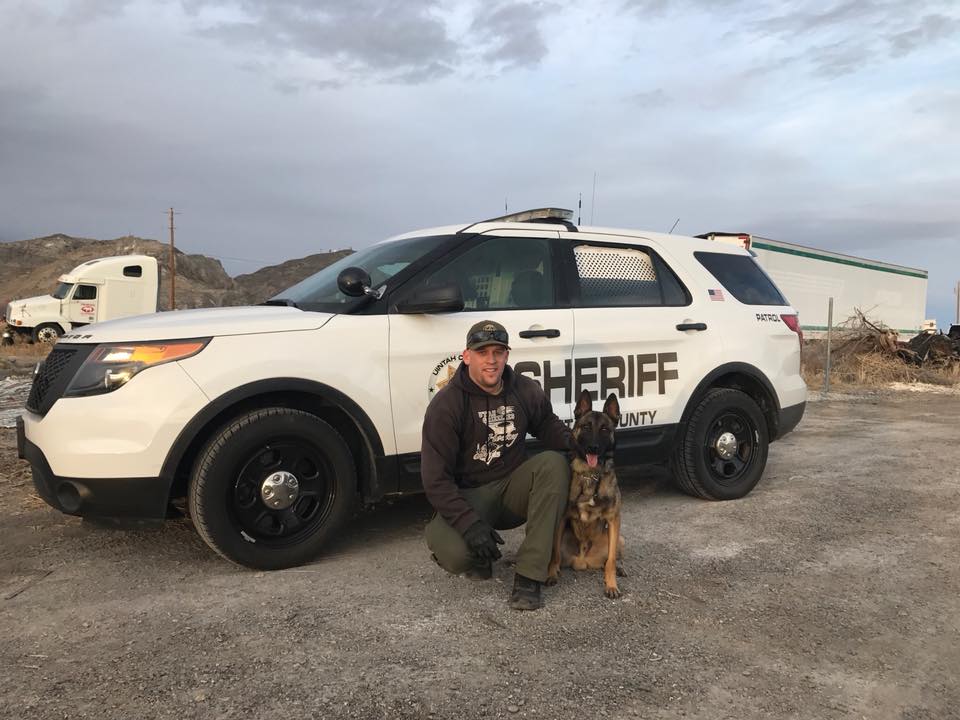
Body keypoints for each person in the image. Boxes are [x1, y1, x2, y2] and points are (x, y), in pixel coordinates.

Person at [421, 320, 572, 611]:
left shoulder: (524, 389)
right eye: (482, 352)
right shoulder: (447, 405)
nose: (491, 360)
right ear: (467, 356)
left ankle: (529, 576)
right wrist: (469, 524)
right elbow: (435, 480)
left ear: (507, 355)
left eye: (498, 352)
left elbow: (549, 427)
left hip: (512, 488)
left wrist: (582, 446)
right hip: (472, 495)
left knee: (554, 464)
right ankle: (478, 556)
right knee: (455, 554)